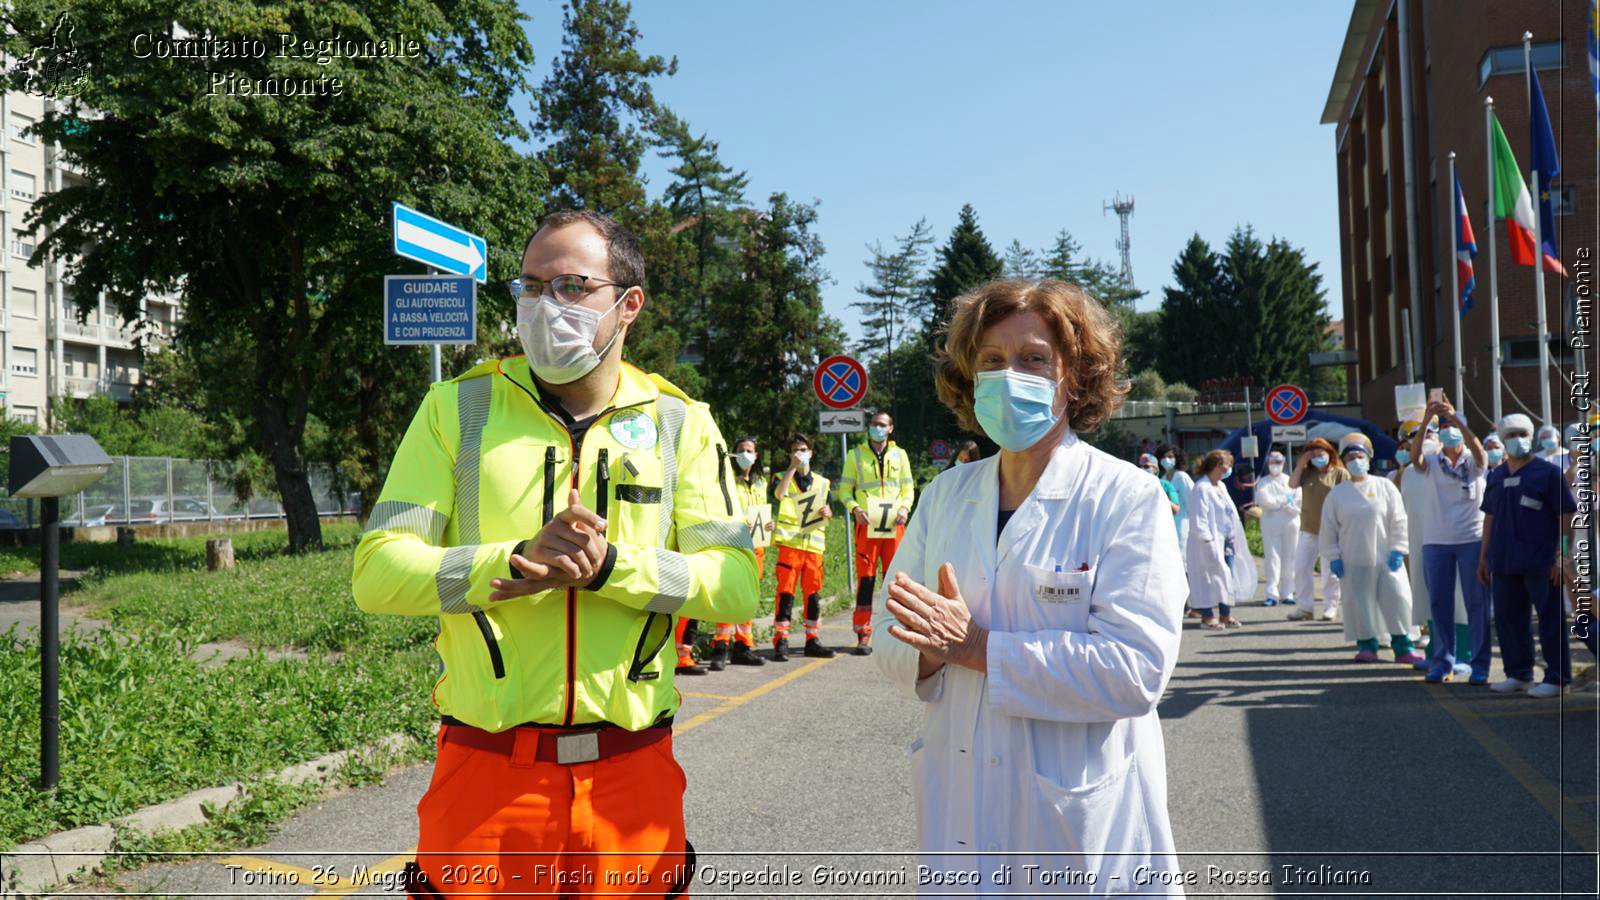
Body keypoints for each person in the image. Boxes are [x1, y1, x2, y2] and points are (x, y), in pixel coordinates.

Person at [352, 209, 756, 896]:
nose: (544, 306)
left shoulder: (680, 420)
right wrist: (508, 563)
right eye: (532, 286)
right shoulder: (456, 408)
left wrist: (610, 570)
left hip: (634, 774)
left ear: (628, 305)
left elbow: (738, 587)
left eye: (571, 285)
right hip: (486, 774)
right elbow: (377, 574)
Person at [874, 279, 1185, 895]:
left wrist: (977, 647)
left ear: (1077, 376)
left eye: (1033, 359)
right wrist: (934, 646)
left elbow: (1135, 669)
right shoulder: (945, 497)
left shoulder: (1126, 498)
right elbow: (889, 639)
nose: (1008, 375)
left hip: (1079, 823)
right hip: (959, 806)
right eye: (991, 361)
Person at [1481, 414, 1579, 697]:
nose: (1517, 440)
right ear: (1501, 438)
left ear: (1532, 435)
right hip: (1503, 560)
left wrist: (1562, 556)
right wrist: (1483, 556)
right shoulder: (1496, 475)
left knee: (1549, 618)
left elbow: (1565, 513)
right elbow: (1489, 517)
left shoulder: (1547, 473)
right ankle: (1518, 673)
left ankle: (1558, 677)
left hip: (1541, 561)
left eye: (1522, 433)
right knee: (1509, 619)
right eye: (1510, 434)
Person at [1409, 393, 1491, 684]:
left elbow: (1480, 452)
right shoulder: (1432, 461)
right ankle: (1442, 662)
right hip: (1437, 541)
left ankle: (1480, 664)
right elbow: (1414, 458)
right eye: (1445, 428)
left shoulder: (1475, 461)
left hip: (1471, 539)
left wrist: (1456, 417)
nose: (1450, 431)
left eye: (1453, 427)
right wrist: (1426, 421)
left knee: (1476, 603)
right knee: (1440, 604)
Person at [1320, 433, 1423, 664]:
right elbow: (1328, 529)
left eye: (1360, 456)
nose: (1356, 461)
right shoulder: (1337, 494)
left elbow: (1399, 519)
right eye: (1351, 457)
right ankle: (1367, 645)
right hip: (1353, 560)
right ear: (1344, 462)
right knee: (1359, 604)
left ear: (1368, 458)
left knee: (1397, 600)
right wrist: (1333, 557)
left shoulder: (1385, 486)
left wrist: (1398, 548)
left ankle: (1403, 646)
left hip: (1387, 557)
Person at [837, 410, 916, 655]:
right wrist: (855, 508)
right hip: (867, 526)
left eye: (882, 424)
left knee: (896, 581)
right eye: (873, 424)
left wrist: (905, 508)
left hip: (894, 526)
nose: (877, 428)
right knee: (867, 580)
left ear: (890, 428)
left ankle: (897, 631)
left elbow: (908, 488)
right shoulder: (855, 455)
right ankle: (863, 634)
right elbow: (844, 491)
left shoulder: (900, 455)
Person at [708, 436, 772, 670]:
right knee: (728, 594)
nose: (745, 454)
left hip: (756, 547)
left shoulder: (761, 483)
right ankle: (720, 646)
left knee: (749, 596)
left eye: (750, 450)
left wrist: (768, 524)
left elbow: (760, 513)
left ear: (756, 456)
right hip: (733, 544)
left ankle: (743, 646)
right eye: (741, 450)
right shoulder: (726, 480)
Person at [771, 433, 836, 661]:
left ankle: (812, 639)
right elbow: (779, 494)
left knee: (813, 595)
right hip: (790, 545)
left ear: (811, 453)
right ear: (790, 454)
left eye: (804, 450)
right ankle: (781, 639)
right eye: (796, 450)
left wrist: (828, 513)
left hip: (813, 548)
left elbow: (828, 512)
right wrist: (791, 467)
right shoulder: (781, 476)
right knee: (786, 593)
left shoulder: (823, 482)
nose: (800, 454)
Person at [1186, 449, 1248, 629]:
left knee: (1226, 577)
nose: (1229, 469)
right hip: (1207, 543)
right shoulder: (1201, 487)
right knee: (1207, 578)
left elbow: (1229, 514)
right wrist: (1207, 541)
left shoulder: (1221, 486)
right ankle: (1207, 617)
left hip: (1226, 542)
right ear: (1218, 466)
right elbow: (1199, 519)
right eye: (1227, 465)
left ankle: (1225, 615)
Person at [1288, 437, 1347, 622]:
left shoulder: (1340, 473)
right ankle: (1305, 608)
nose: (1317, 458)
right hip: (1309, 528)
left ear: (1329, 454)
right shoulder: (1307, 473)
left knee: (1330, 572)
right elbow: (1292, 484)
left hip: (1333, 529)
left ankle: (1331, 607)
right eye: (1313, 455)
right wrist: (1301, 464)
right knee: (1301, 567)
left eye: (1320, 454)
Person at [1254, 450, 1300, 607]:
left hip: (1291, 522)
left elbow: (1298, 503)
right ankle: (1271, 594)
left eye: (1278, 462)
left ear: (1284, 463)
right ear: (1268, 464)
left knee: (1291, 557)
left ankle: (1288, 592)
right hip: (1271, 524)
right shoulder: (1263, 482)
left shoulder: (1292, 481)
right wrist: (1285, 500)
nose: (1275, 466)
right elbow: (1264, 501)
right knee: (1272, 558)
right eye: (1273, 462)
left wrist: (1279, 503)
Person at [1158, 443, 1193, 553]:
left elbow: (1192, 502)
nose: (1166, 459)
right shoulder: (1162, 480)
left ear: (1177, 458)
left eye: (1170, 456)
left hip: (1184, 524)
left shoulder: (1182, 477)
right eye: (1163, 457)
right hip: (1168, 525)